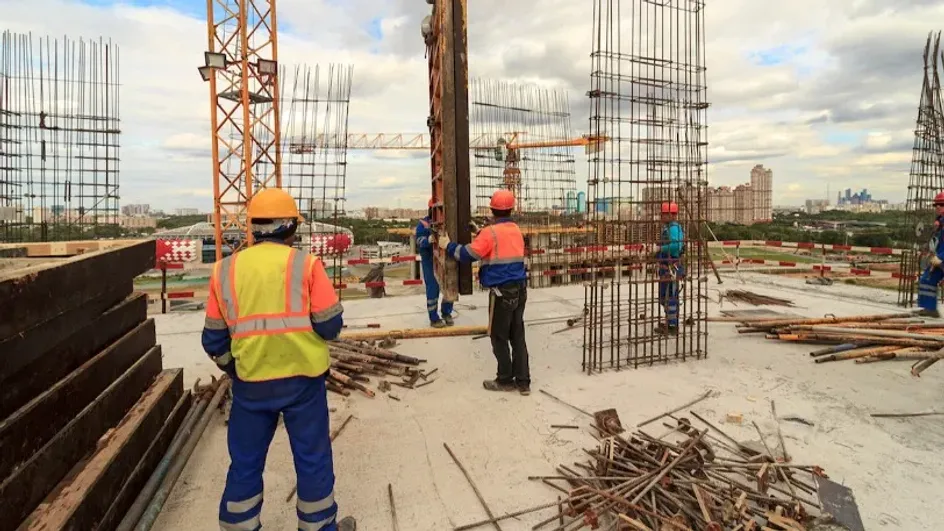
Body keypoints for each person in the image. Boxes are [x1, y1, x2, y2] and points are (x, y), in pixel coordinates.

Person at [202, 187, 356, 531]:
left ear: (253, 227)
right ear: (291, 227)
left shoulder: (224, 271)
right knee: (312, 458)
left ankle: (240, 525)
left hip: (251, 384)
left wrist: (236, 367)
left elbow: (213, 339)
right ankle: (318, 527)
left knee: (244, 461)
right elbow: (330, 326)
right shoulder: (307, 265)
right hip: (303, 382)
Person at [438, 189, 531, 395]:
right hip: (520, 290)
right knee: (517, 335)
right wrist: (479, 231)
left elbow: (468, 254)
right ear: (511, 209)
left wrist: (448, 245)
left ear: (492, 209)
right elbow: (499, 243)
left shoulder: (490, 233)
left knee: (498, 336)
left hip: (501, 293)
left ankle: (505, 379)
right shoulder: (515, 229)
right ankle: (523, 382)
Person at [416, 198, 455, 328]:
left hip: (445, 259)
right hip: (430, 262)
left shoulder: (447, 222)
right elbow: (419, 241)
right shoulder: (423, 224)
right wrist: (428, 240)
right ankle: (433, 317)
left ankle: (446, 313)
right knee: (433, 288)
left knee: (449, 285)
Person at [655, 201, 685, 335]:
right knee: (664, 296)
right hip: (666, 266)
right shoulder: (668, 228)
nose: (661, 216)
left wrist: (660, 248)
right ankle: (669, 321)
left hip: (671, 267)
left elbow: (676, 246)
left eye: (663, 214)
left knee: (670, 296)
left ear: (670, 215)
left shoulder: (673, 228)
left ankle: (673, 326)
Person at [917, 192, 944, 318]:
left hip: (941, 258)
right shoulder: (939, 223)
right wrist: (928, 252)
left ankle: (930, 309)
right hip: (938, 258)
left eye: (941, 204)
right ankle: (929, 308)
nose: (938, 207)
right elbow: (936, 241)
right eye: (936, 204)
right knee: (926, 279)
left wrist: (941, 258)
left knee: (928, 279)